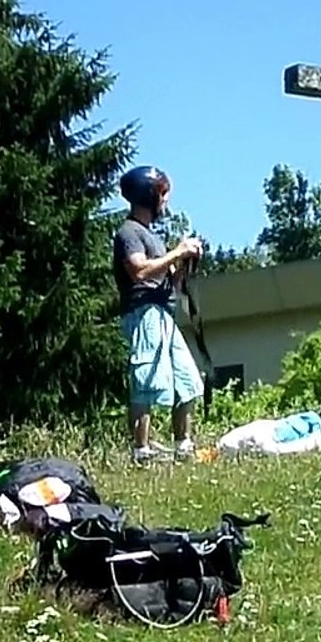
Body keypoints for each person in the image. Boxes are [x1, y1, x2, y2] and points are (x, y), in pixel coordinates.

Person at [112, 165, 205, 463]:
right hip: (143, 313)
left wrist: (185, 263)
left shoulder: (153, 237)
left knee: (187, 381)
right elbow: (139, 271)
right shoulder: (129, 232)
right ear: (148, 195)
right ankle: (142, 452)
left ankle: (184, 448)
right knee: (148, 380)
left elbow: (170, 281)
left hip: (164, 313)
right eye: (162, 195)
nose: (165, 202)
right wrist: (177, 252)